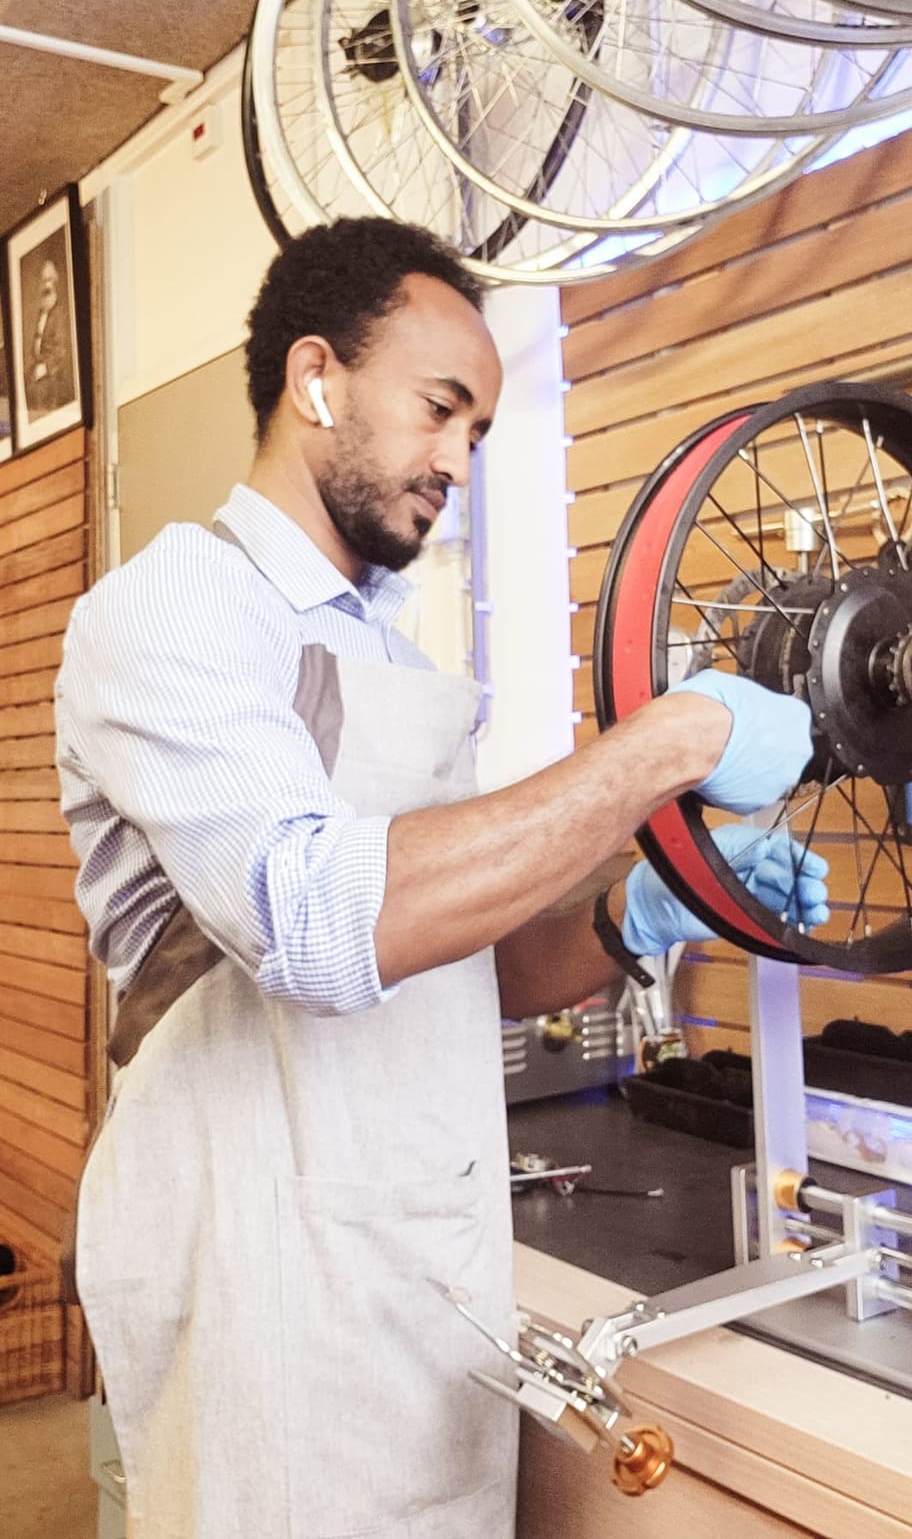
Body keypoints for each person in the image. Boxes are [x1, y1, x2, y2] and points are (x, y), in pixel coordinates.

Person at [55, 217, 828, 1539]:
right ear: (316, 378)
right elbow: (316, 917)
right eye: (439, 410)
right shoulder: (174, 609)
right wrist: (669, 741)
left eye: (478, 431)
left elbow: (486, 965)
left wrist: (649, 904)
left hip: (418, 1273)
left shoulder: (399, 666)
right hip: (258, 1277)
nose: (458, 461)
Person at [24, 255, 73, 416]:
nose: (47, 285)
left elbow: (61, 350)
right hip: (38, 369)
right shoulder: (41, 312)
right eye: (44, 280)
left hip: (53, 374)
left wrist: (45, 368)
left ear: (56, 281)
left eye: (50, 279)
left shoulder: (59, 313)